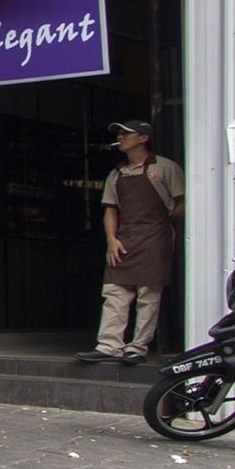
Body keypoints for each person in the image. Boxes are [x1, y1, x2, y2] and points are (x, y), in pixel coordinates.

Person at [81, 120, 184, 366]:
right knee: (115, 291)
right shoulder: (116, 174)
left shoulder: (165, 168)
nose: (121, 137)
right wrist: (111, 240)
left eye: (127, 133)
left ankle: (138, 347)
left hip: (155, 237)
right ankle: (109, 345)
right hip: (124, 237)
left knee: (149, 294)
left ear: (143, 138)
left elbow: (181, 202)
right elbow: (110, 210)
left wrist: (166, 223)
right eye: (120, 133)